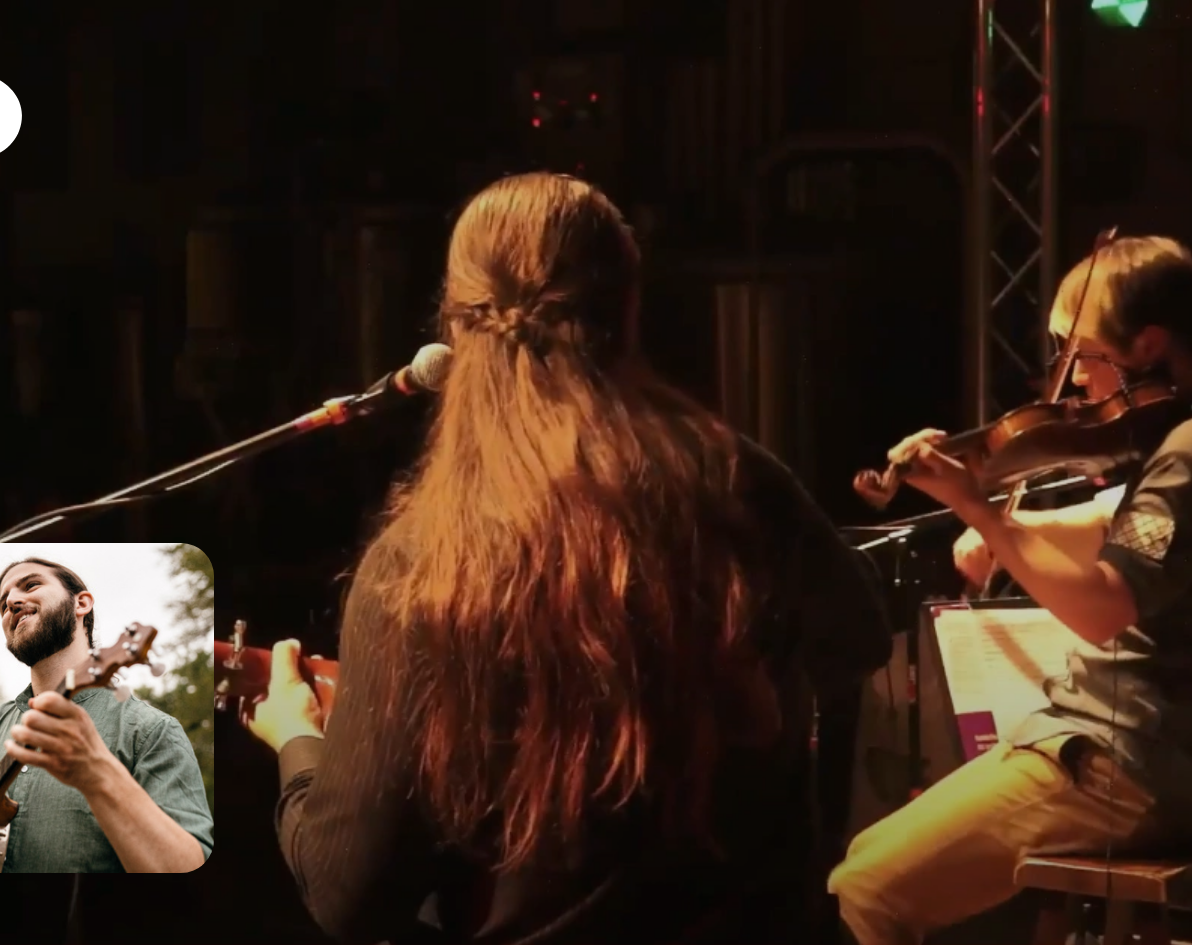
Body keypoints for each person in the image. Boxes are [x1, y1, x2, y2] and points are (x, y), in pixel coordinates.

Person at [242, 172, 893, 944]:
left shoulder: (423, 566)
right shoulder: (737, 482)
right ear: (630, 306)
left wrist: (297, 738)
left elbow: (348, 895)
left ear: (456, 327)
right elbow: (859, 639)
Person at [828, 235, 1192, 943]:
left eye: (1087, 356)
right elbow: (1113, 524)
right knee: (866, 854)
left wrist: (980, 509)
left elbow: (1103, 608)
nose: (1073, 382)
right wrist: (1003, 522)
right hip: (1134, 753)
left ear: (1148, 344)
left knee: (863, 890)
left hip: (1122, 765)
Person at [0, 557, 214, 874]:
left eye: (31, 585)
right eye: (3, 604)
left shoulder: (152, 730)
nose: (12, 602)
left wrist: (99, 776)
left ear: (81, 603)